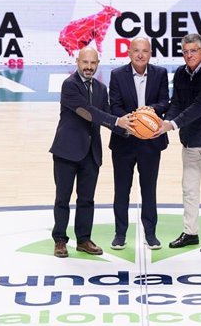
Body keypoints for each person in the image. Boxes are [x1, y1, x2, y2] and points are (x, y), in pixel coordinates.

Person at [49, 47, 136, 258]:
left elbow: (105, 114)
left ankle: (83, 240)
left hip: (91, 152)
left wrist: (130, 128)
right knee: (63, 198)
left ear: (98, 64)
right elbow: (87, 112)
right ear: (77, 61)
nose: (88, 67)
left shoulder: (100, 88)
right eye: (85, 63)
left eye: (93, 63)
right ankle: (60, 240)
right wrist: (117, 121)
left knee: (87, 199)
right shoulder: (69, 85)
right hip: (67, 151)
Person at [153, 33, 201, 253]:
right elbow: (177, 103)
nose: (189, 55)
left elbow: (199, 107)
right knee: (189, 190)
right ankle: (191, 232)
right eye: (185, 52)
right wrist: (165, 121)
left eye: (193, 51)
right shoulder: (181, 74)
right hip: (191, 142)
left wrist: (172, 125)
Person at [108, 37, 170, 250]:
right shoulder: (117, 75)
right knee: (122, 189)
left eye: (144, 51)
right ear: (129, 53)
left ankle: (150, 234)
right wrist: (135, 119)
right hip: (124, 141)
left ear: (150, 53)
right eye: (136, 50)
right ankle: (120, 234)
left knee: (149, 189)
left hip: (151, 141)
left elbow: (164, 102)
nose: (140, 54)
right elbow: (114, 106)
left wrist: (147, 113)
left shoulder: (160, 74)